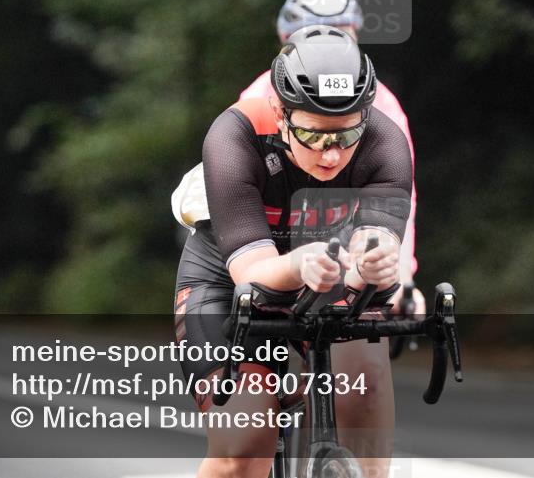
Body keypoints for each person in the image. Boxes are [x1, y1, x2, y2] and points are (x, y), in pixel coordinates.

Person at [174, 27, 411, 478]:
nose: (331, 154)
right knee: (243, 450)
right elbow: (252, 272)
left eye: (347, 134)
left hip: (330, 276)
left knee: (367, 401)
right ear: (281, 113)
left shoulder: (385, 141)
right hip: (232, 281)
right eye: (313, 134)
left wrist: (374, 261)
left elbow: (377, 244)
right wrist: (300, 262)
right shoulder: (235, 135)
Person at [239, 0, 425, 315]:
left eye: (340, 34)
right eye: (314, 35)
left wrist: (401, 273)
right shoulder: (255, 99)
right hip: (277, 241)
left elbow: (397, 195)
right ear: (286, 43)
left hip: (349, 239)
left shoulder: (382, 103)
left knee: (364, 359)